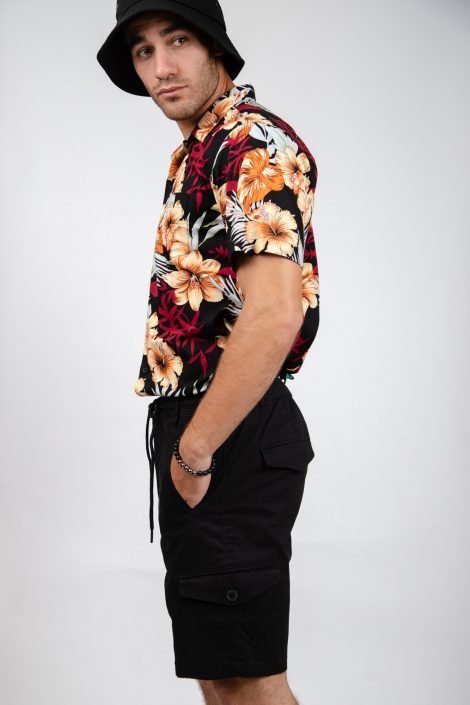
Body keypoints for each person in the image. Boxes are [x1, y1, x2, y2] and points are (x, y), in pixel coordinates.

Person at [97, 1, 320, 703]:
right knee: (223, 678)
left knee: (248, 684)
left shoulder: (249, 141)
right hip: (212, 425)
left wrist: (195, 451)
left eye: (178, 41)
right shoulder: (202, 146)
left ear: (216, 47)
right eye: (143, 51)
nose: (161, 66)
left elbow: (275, 312)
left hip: (229, 431)